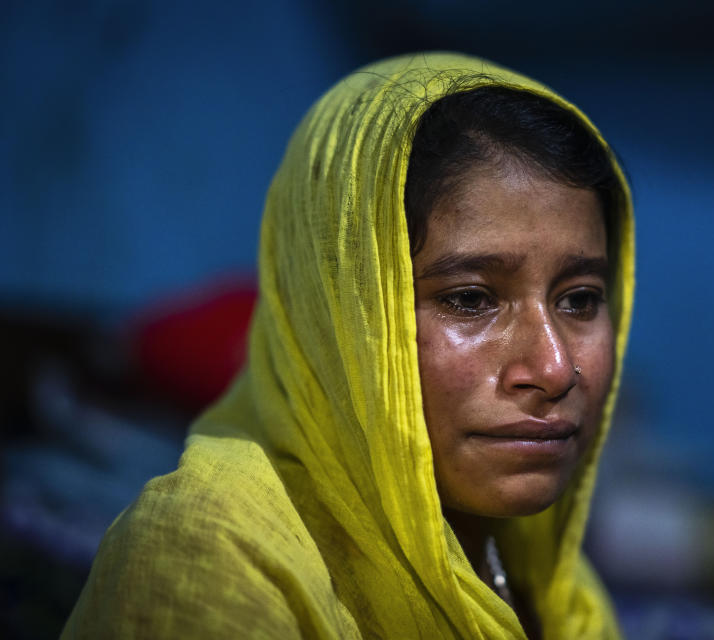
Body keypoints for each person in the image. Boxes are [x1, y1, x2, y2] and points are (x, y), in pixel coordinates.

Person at [62, 52, 634, 639]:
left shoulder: (545, 574)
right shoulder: (208, 560)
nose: (555, 367)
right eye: (470, 299)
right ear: (342, 316)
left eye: (579, 299)